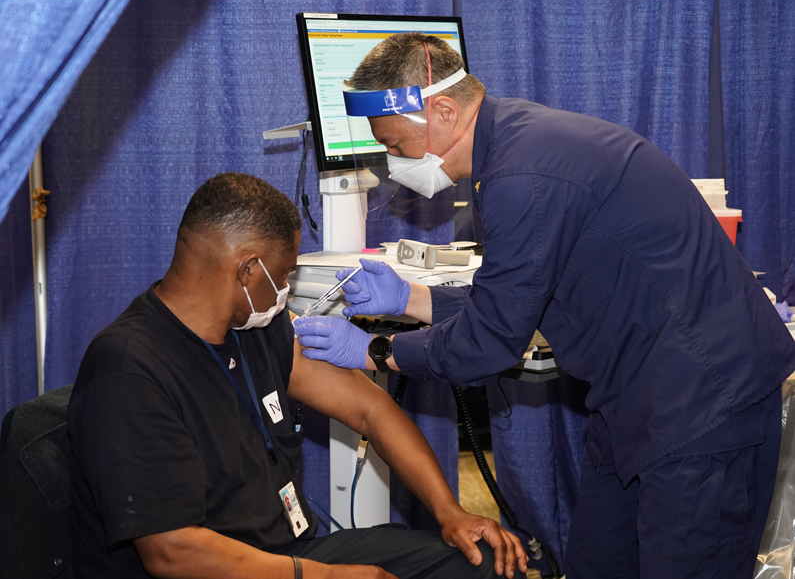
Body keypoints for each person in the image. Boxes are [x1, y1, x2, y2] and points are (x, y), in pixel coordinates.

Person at [292, 33, 795, 579]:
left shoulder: (520, 175)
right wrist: (412, 298)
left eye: (394, 145)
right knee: (597, 562)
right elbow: (517, 294)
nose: (393, 163)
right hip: (636, 395)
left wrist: (377, 350)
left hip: (703, 400)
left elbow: (490, 341)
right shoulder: (511, 145)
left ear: (442, 111)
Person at [66, 172, 528, 579]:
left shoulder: (256, 327)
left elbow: (370, 409)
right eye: (284, 273)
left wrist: (449, 512)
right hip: (216, 570)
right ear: (248, 270)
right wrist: (323, 576)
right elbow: (171, 552)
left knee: (481, 562)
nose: (286, 289)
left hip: (289, 554)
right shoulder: (129, 371)